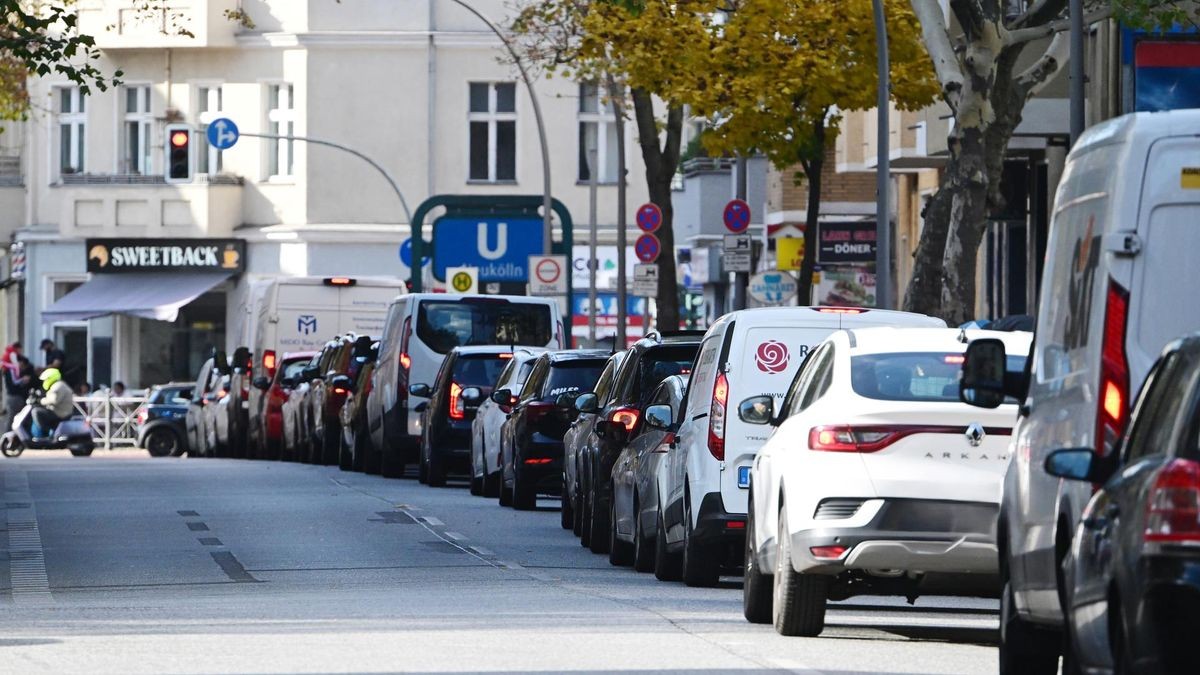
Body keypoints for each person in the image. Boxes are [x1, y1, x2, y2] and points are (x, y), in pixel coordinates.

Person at [33, 367, 74, 439]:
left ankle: (45, 434)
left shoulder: (57, 386)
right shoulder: (59, 385)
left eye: (45, 379)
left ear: (50, 378)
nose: (44, 382)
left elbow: (54, 400)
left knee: (36, 412)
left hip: (60, 413)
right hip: (60, 411)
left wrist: (40, 401)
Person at [3, 356, 33, 429]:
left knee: (17, 418)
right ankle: (6, 436)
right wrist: (23, 380)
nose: (22, 368)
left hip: (17, 397)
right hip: (14, 397)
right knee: (12, 418)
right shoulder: (12, 370)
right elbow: (14, 383)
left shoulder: (15, 370)